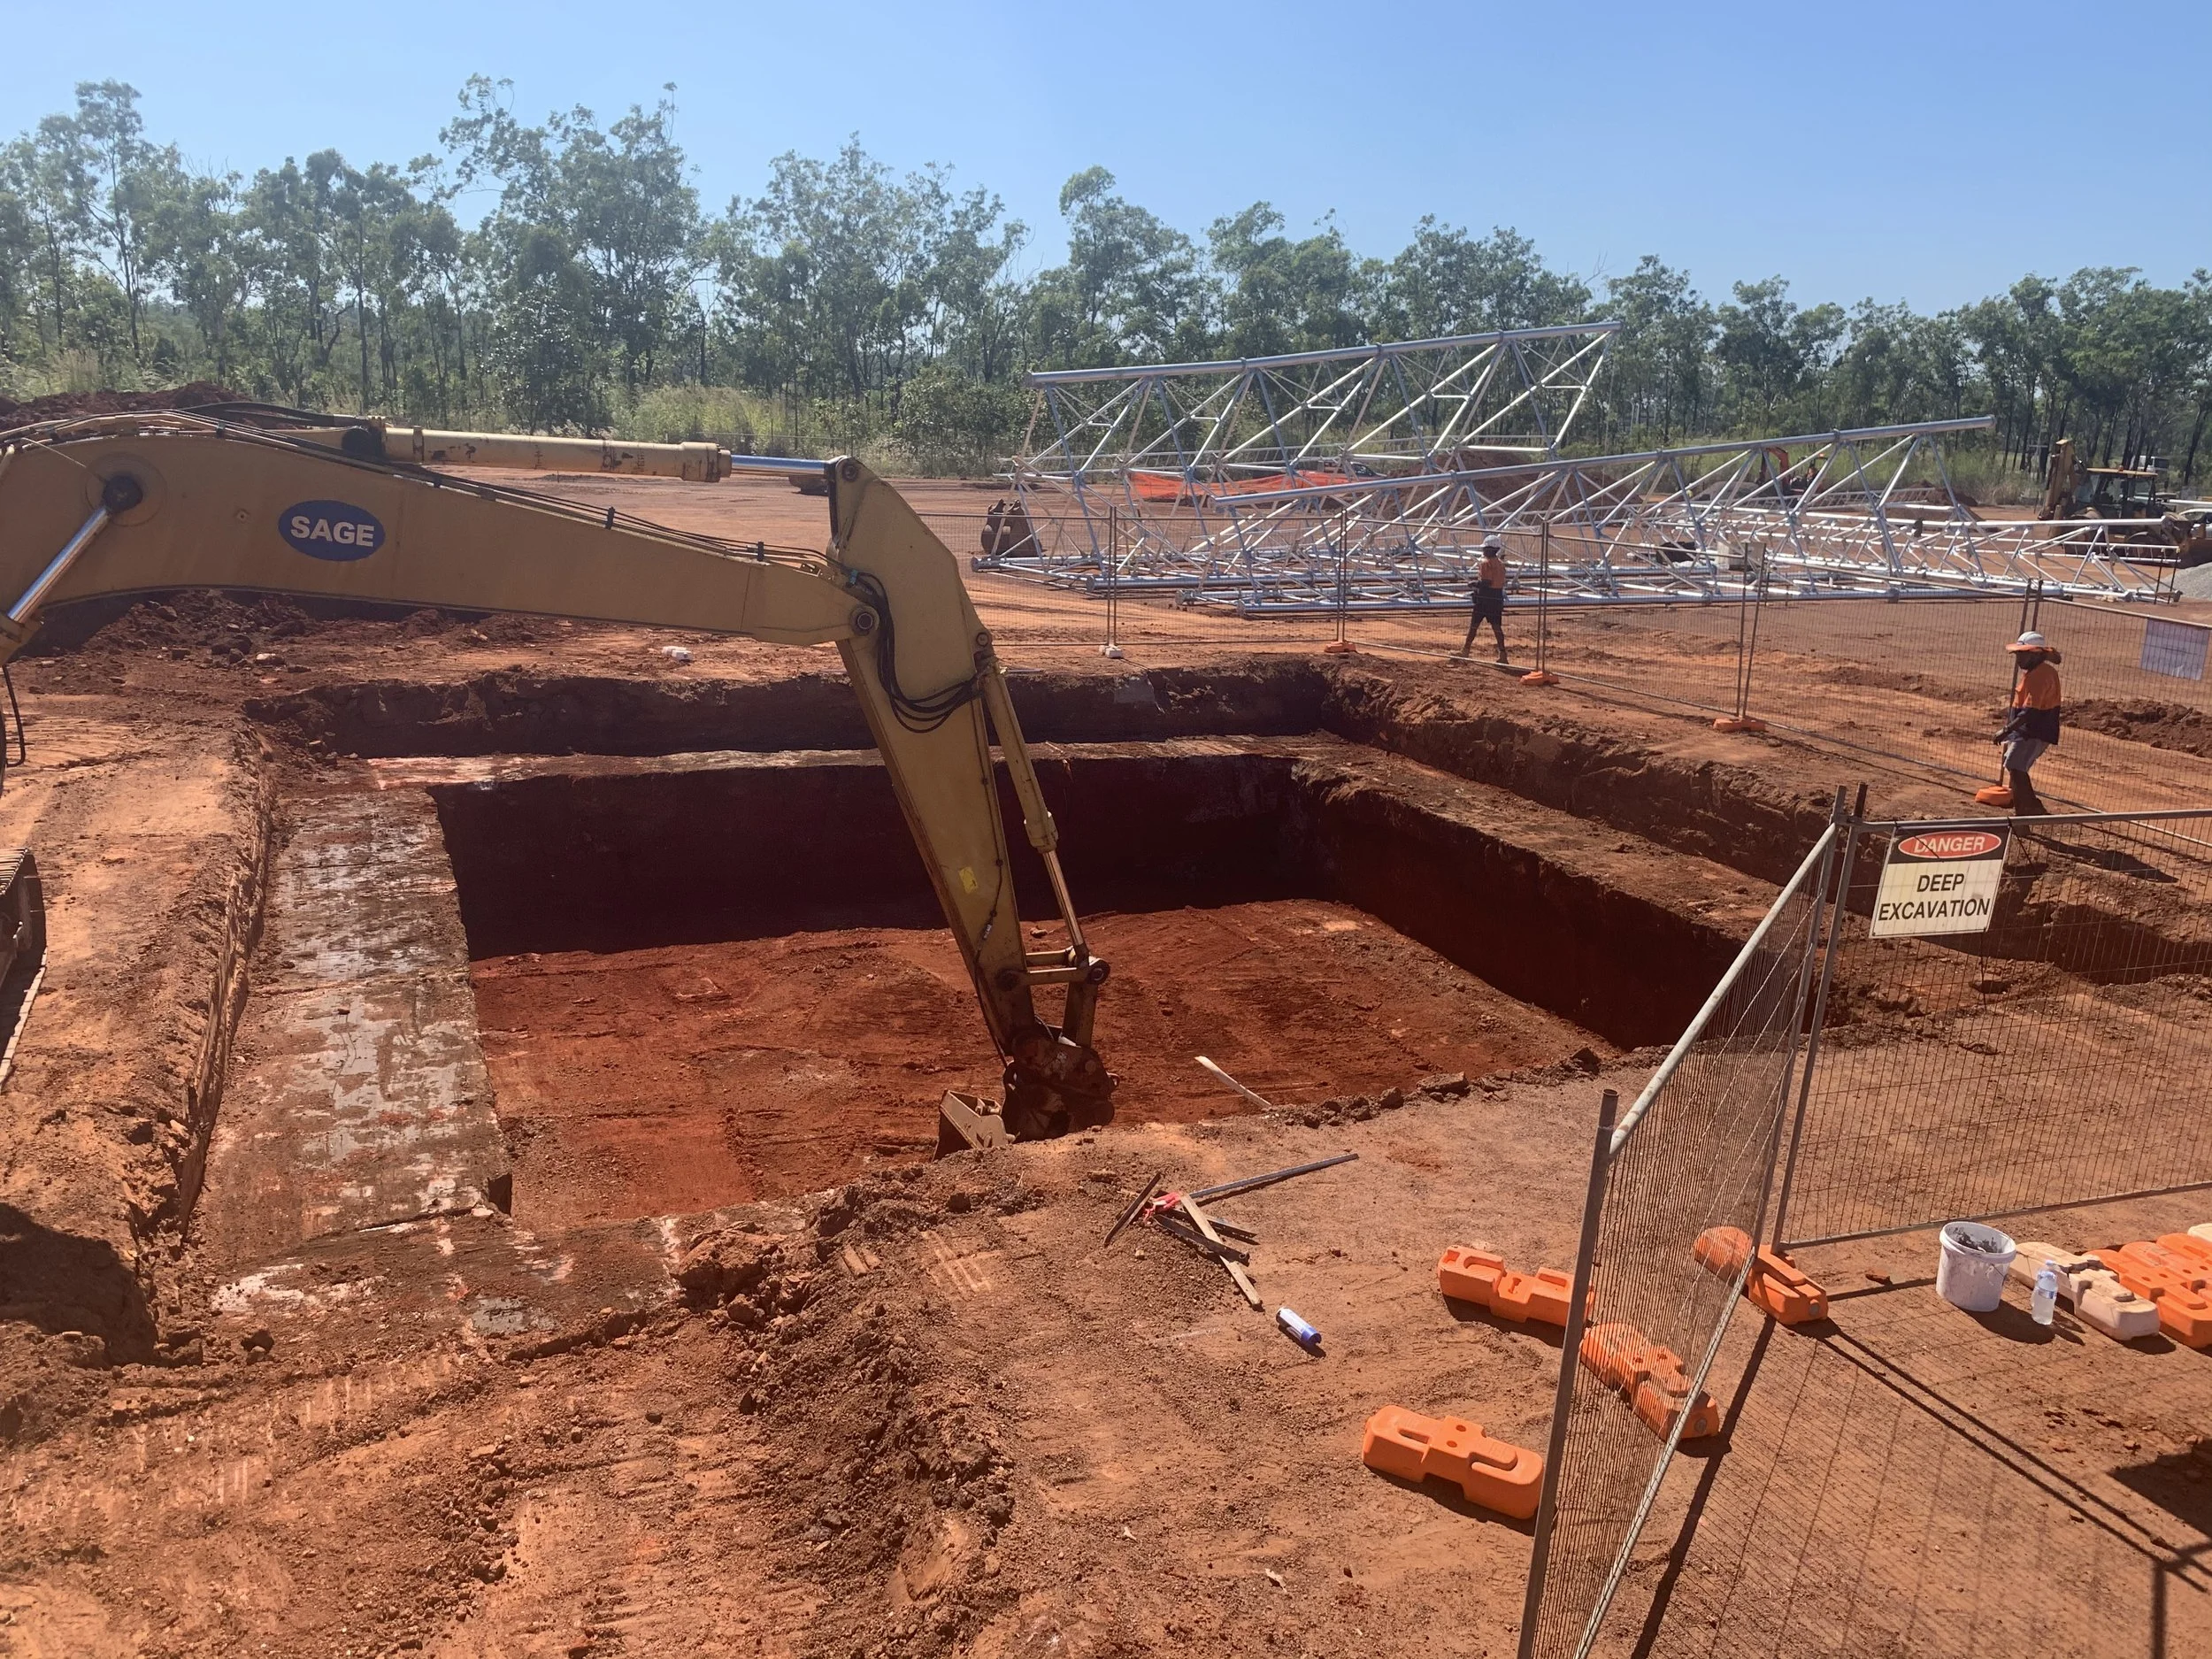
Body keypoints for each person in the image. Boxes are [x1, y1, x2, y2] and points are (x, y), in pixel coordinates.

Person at [1995, 630, 2062, 814]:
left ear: (2035, 654)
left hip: (2033, 731)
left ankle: (2029, 809)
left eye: (2022, 654)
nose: (2018, 659)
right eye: (2017, 653)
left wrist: (2006, 730)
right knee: (2016, 767)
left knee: (2014, 765)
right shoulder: (2041, 671)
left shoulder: (2039, 676)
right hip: (2032, 730)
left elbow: (2029, 712)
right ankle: (2028, 809)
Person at [1458, 536, 1508, 662]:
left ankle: (1465, 650)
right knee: (1497, 627)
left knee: (1474, 625)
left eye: (1485, 549)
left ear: (1491, 550)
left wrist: (1474, 584)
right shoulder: (1501, 565)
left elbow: (1486, 582)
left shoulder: (1485, 564)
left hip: (1484, 599)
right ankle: (1502, 654)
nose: (1483, 551)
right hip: (1497, 598)